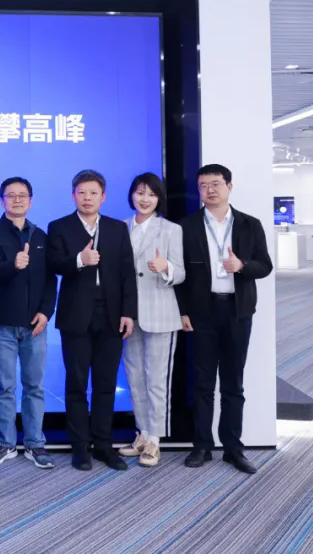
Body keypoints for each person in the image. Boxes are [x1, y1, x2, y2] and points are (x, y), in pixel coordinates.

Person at [177, 164, 273, 475]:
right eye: (203, 185)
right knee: (202, 383)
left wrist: (241, 266)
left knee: (233, 384)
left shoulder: (250, 224)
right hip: (201, 313)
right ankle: (202, 446)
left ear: (229, 186)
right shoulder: (187, 226)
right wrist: (183, 311)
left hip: (237, 311)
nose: (210, 190)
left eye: (216, 184)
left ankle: (233, 448)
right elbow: (181, 275)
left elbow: (265, 266)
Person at [47, 169, 137, 472]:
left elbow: (127, 272)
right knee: (76, 384)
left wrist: (128, 312)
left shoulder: (116, 228)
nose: (87, 198)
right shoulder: (59, 226)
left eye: (93, 193)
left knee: (106, 384)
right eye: (82, 193)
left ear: (103, 197)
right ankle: (80, 447)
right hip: (75, 316)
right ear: (73, 196)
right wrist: (79, 260)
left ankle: (103, 446)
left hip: (111, 315)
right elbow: (53, 264)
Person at [0, 176, 58, 470]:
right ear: (1, 200)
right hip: (2, 324)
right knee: (4, 387)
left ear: (30, 200)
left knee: (34, 387)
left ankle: (34, 443)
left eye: (22, 195)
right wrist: (11, 265)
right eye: (11, 195)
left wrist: (46, 312)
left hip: (35, 325)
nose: (17, 200)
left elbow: (50, 279)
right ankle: (5, 443)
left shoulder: (41, 236)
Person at [120, 173, 185, 468]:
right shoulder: (121, 228)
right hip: (129, 315)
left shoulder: (171, 229)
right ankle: (143, 434)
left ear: (159, 199)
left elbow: (181, 272)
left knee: (157, 379)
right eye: (140, 192)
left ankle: (155, 441)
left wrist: (165, 266)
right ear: (132, 195)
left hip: (160, 313)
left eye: (151, 194)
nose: (145, 199)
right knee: (134, 377)